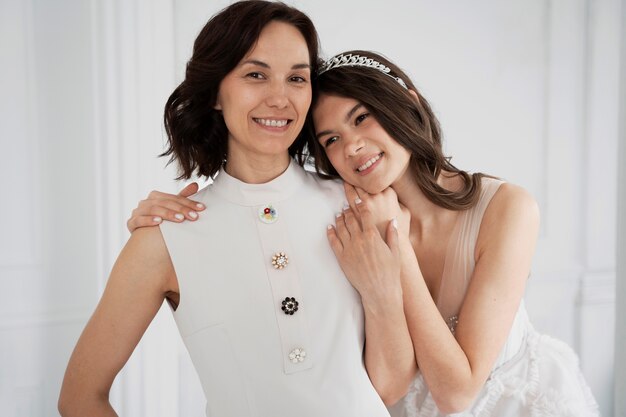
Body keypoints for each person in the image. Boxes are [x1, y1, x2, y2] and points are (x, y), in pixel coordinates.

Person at [132, 50, 600, 417]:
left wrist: (397, 246)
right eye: (331, 140)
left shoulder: (507, 209)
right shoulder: (340, 216)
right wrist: (161, 221)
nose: (351, 146)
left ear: (408, 104)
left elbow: (458, 392)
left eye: (361, 118)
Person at [58, 3, 415, 417]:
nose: (280, 98)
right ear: (214, 92)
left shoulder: (358, 206)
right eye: (255, 74)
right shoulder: (165, 238)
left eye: (296, 78)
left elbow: (388, 387)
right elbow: (80, 397)